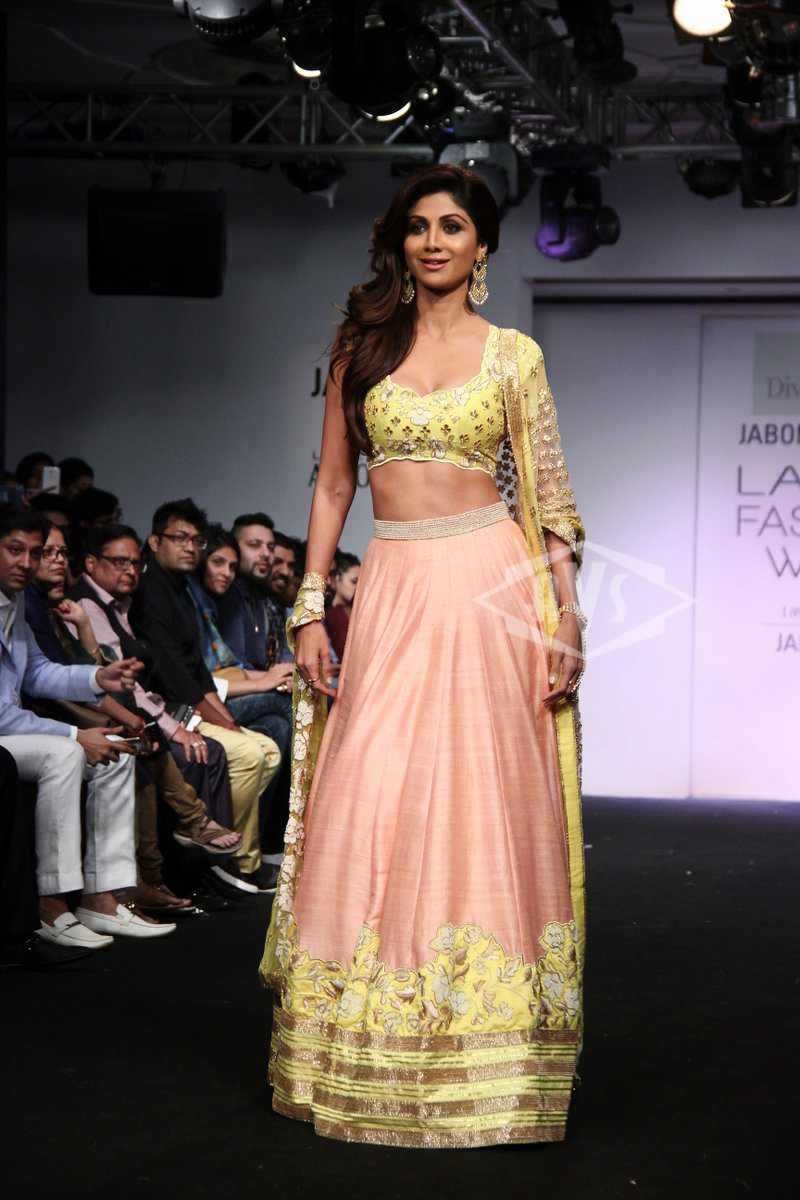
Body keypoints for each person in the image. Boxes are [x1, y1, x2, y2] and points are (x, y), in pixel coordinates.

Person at [259, 164, 587, 1149]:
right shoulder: (361, 349)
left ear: (483, 246)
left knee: (483, 802)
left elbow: (549, 497)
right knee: (370, 792)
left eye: (452, 226)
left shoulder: (515, 356)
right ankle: (361, 1042)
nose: (433, 241)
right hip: (394, 584)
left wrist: (566, 614)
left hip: (491, 586)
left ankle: (481, 1057)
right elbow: (331, 487)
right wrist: (309, 606)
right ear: (399, 243)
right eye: (418, 226)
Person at [0, 503, 172, 948]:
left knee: (116, 753)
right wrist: (76, 735)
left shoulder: (16, 599)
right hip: (4, 731)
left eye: (35, 552)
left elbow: (37, 672)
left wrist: (98, 677)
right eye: (15, 550)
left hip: (12, 732)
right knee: (64, 754)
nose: (27, 563)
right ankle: (51, 904)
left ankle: (102, 897)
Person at [130, 499, 281, 894]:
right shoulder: (151, 591)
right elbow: (176, 676)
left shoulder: (181, 589)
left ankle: (237, 856)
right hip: (168, 710)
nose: (189, 547)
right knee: (252, 749)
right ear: (154, 541)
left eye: (195, 540)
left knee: (267, 748)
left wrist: (227, 721)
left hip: (188, 704)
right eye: (180, 538)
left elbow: (196, 670)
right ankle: (233, 860)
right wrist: (220, 721)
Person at [216, 513, 275, 670]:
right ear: (233, 549)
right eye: (254, 545)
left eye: (271, 547)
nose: (266, 554)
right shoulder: (228, 591)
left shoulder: (256, 592)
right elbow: (234, 666)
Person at [323, 551, 360, 662]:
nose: (358, 587)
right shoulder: (332, 614)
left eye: (361, 583)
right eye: (354, 581)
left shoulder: (354, 611)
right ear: (337, 579)